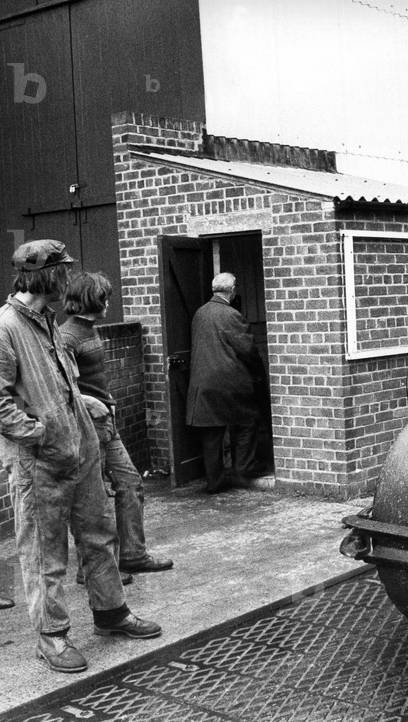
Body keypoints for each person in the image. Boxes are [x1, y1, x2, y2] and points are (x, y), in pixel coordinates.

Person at [0, 240, 161, 673]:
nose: (69, 279)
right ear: (45, 276)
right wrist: (38, 433)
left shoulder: (47, 321)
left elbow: (57, 381)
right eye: (63, 271)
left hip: (81, 448)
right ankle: (52, 638)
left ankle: (112, 614)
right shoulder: (6, 327)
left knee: (99, 533)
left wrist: (82, 406)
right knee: (44, 552)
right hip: (40, 460)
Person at [60, 271, 174, 578]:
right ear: (91, 298)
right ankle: (92, 569)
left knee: (131, 483)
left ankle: (133, 554)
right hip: (87, 426)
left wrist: (104, 398)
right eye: (104, 297)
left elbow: (90, 376)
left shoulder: (88, 330)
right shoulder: (67, 336)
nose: (109, 302)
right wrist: (89, 401)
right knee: (91, 500)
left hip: (106, 422)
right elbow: (59, 388)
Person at [186, 272, 267, 493]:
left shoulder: (199, 313)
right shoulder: (231, 315)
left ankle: (215, 481)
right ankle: (243, 470)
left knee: (212, 434)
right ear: (231, 291)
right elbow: (247, 349)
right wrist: (260, 374)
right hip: (230, 383)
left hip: (203, 383)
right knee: (247, 421)